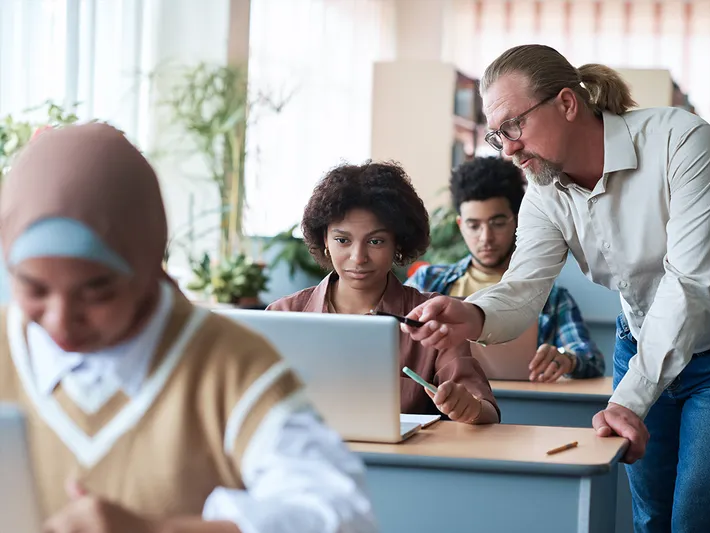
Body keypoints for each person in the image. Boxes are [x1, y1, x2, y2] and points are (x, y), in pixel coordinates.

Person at [403, 44, 710, 533]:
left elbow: (689, 284)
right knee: (651, 521)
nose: (509, 148)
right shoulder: (543, 193)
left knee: (696, 523)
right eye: (498, 136)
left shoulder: (680, 141)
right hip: (641, 342)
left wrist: (627, 399)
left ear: (566, 103)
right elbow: (522, 290)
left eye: (513, 126)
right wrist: (472, 314)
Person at [0, 123, 376, 533]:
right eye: (33, 287)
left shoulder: (227, 364)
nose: (60, 319)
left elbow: (342, 515)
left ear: (145, 267)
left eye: (97, 291)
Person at [267, 161, 500, 424]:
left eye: (375, 241)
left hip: (402, 463)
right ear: (325, 241)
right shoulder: (282, 316)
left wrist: (469, 408)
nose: (358, 257)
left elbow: (486, 411)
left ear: (397, 243)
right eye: (342, 240)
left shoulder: (432, 318)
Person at [406, 156, 604, 382]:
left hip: (521, 406)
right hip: (441, 403)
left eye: (497, 223)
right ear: (461, 226)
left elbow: (590, 358)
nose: (485, 238)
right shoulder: (426, 283)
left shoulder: (551, 297)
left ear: (518, 221)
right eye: (474, 225)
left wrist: (565, 358)